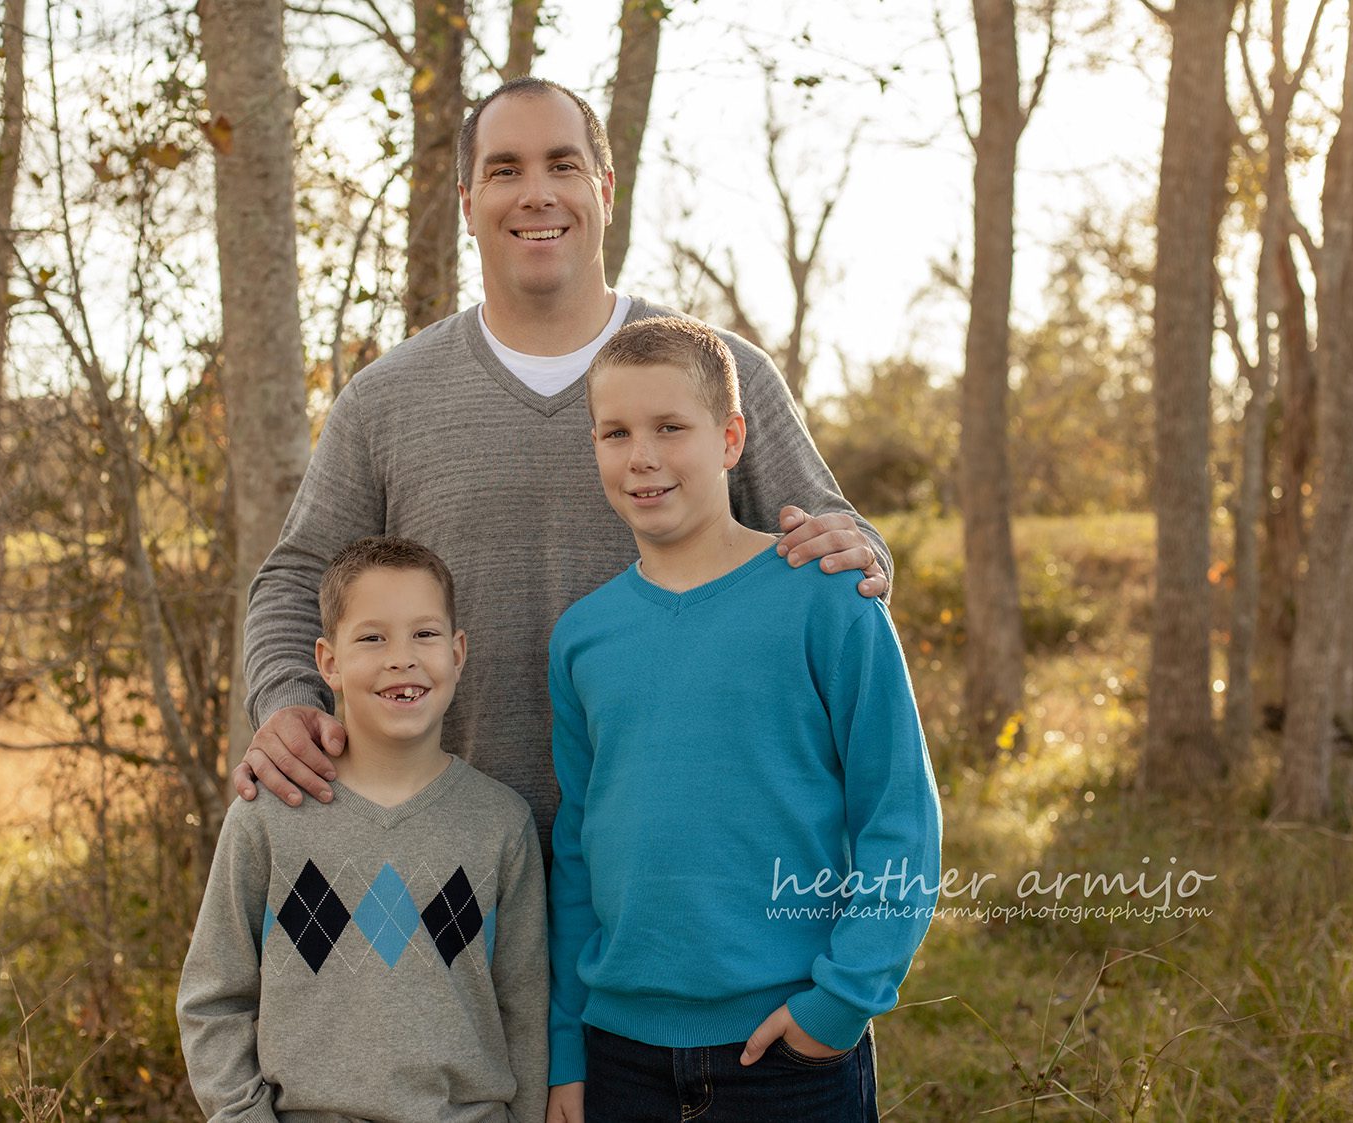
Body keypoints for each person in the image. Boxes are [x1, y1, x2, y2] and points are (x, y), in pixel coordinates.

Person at [236, 77, 891, 853]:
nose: (536, 193)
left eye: (563, 165)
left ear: (605, 190)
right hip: (445, 869)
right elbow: (294, 580)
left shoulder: (715, 374)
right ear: (466, 201)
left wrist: (866, 552)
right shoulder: (384, 400)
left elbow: (834, 546)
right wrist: (284, 701)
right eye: (505, 170)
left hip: (676, 869)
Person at [544, 318, 941, 1122]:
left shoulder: (827, 596)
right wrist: (564, 1048)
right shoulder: (583, 637)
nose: (641, 456)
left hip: (790, 1047)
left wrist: (839, 1006)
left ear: (729, 440)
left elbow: (898, 815)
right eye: (615, 432)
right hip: (619, 1054)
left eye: (669, 428)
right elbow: (578, 849)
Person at [179, 537, 547, 1123]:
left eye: (424, 635)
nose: (401, 658)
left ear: (458, 653)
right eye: (372, 638)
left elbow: (524, 1011)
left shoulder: (501, 824)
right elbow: (213, 999)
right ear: (328, 661)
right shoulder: (271, 815)